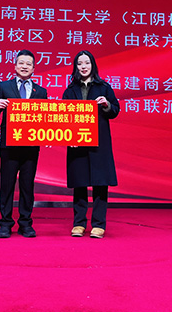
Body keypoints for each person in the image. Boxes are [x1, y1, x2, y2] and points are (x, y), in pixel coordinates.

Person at [0, 50, 48, 238]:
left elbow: (45, 119)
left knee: (27, 186)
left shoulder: (41, 91)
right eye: (21, 63)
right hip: (9, 146)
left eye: (28, 64)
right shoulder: (4, 86)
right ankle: (5, 223)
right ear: (15, 66)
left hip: (31, 147)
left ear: (33, 68)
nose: (24, 66)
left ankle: (25, 223)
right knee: (7, 185)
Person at [62, 50, 119, 239]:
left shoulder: (104, 87)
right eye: (80, 63)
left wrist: (106, 105)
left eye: (87, 63)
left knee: (100, 184)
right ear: (76, 67)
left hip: (99, 143)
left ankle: (98, 224)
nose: (83, 66)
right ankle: (79, 223)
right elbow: (64, 118)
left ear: (93, 65)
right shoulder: (70, 90)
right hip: (77, 143)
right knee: (79, 183)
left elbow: (115, 110)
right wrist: (69, 138)